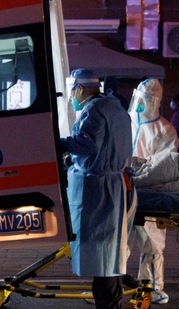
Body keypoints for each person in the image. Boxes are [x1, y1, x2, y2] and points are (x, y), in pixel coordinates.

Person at [60, 68, 135, 309]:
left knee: (101, 250)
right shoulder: (117, 108)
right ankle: (111, 297)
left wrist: (58, 143)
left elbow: (88, 144)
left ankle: (108, 302)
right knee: (109, 251)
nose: (72, 97)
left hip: (99, 190)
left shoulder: (93, 110)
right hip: (115, 185)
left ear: (80, 89)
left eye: (73, 91)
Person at [128, 78, 179, 304]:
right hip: (123, 191)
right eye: (139, 98)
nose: (141, 104)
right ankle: (110, 287)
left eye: (146, 100)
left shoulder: (165, 130)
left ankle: (152, 288)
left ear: (155, 101)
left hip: (149, 194)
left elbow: (163, 165)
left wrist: (139, 168)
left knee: (152, 243)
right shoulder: (127, 121)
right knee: (116, 244)